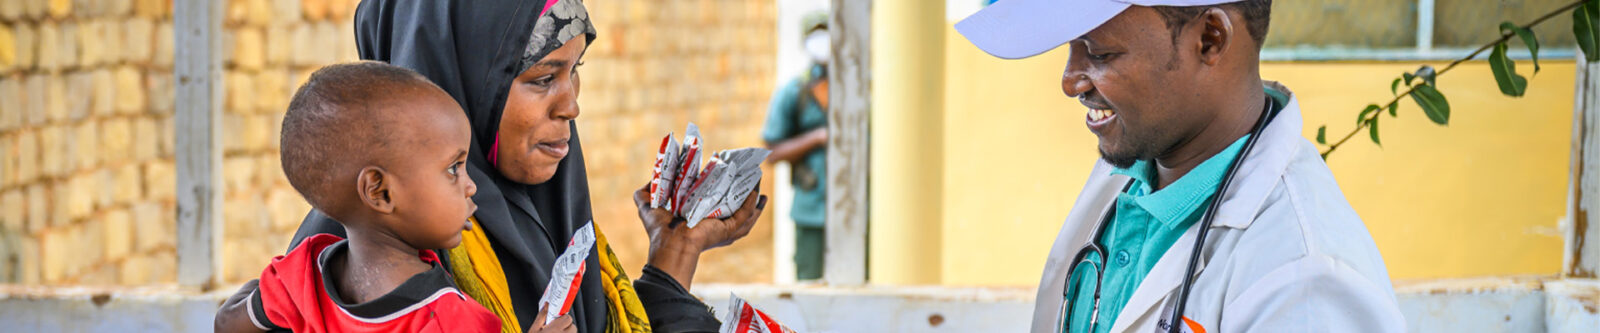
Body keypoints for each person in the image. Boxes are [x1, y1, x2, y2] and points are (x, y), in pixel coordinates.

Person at [215, 1, 766, 332]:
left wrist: (677, 251)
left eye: (576, 72)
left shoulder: (546, 223)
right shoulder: (382, 259)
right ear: (460, 80)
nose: (571, 105)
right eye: (543, 78)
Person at [956, 0, 1405, 332]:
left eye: (1099, 52)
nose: (1070, 81)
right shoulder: (1132, 171)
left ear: (1210, 39)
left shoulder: (1305, 283)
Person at [215, 61, 510, 332]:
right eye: (453, 169)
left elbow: (228, 322)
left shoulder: (303, 275)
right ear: (379, 191)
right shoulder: (450, 320)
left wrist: (263, 287)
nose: (471, 186)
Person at [762, 11, 830, 281]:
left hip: (856, 208)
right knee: (810, 282)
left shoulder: (858, 89)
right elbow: (771, 151)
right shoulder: (794, 92)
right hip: (811, 207)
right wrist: (815, 138)